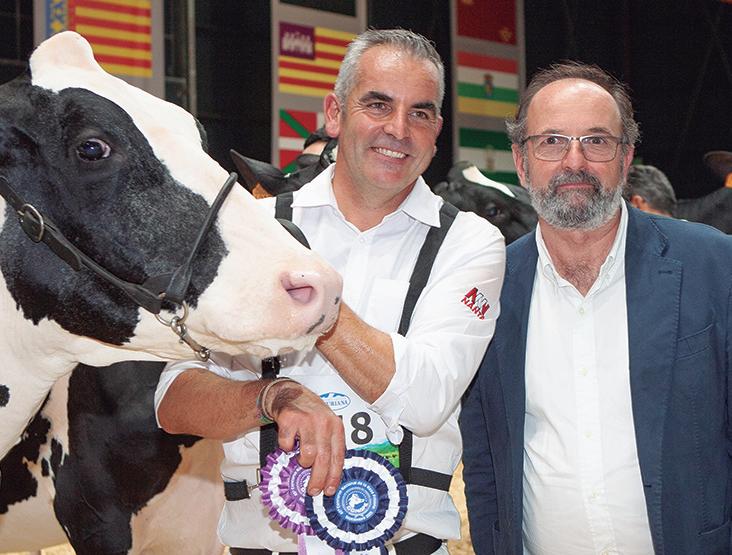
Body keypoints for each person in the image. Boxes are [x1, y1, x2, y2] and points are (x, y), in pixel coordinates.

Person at [156, 28, 505, 554]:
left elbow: (427, 399)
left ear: (436, 132)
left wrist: (317, 307)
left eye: (420, 113)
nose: (398, 129)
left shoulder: (469, 242)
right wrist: (271, 397)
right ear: (335, 114)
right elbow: (173, 400)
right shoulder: (250, 228)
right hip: (263, 543)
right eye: (378, 104)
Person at [460, 60, 732, 555]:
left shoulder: (713, 266)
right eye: (552, 141)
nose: (575, 161)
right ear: (521, 161)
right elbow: (485, 460)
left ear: (625, 158)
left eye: (597, 141)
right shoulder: (491, 287)